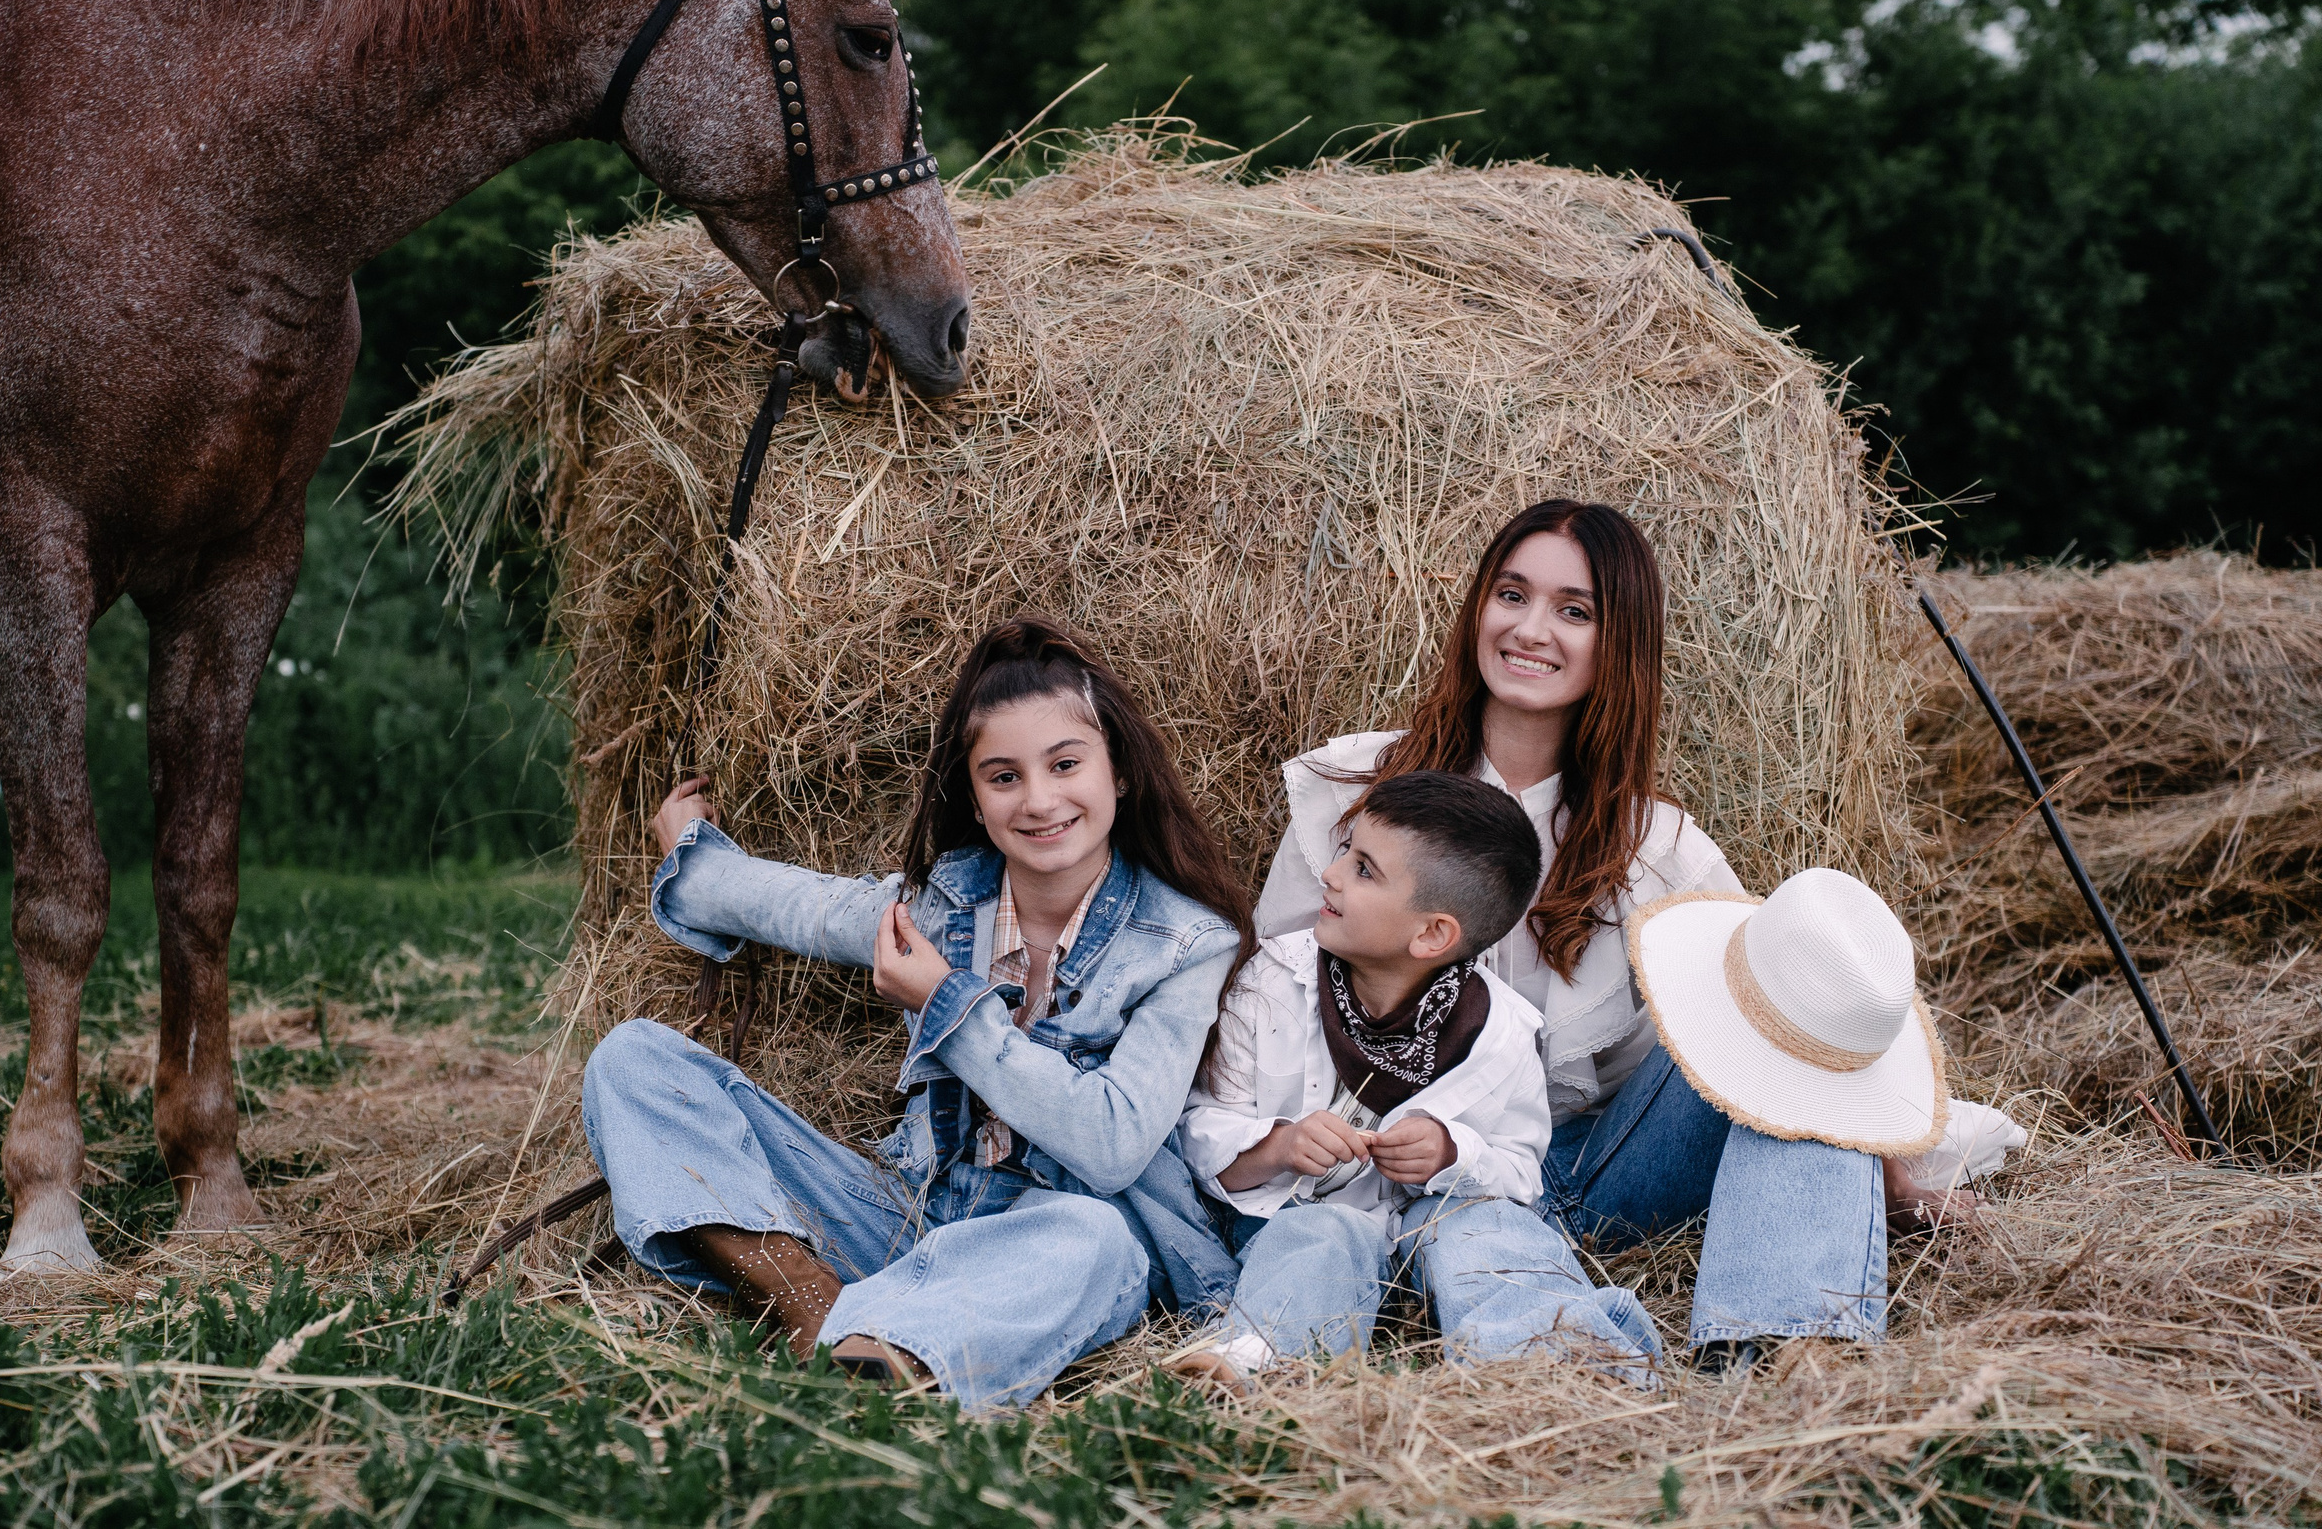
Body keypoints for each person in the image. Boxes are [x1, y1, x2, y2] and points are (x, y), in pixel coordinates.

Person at [1256, 499, 2018, 1370]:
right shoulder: (1347, 792)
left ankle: (1790, 1349)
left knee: (1794, 1011)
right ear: (1477, 608)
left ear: (1618, 644)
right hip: (1400, 1175)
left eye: (1574, 610)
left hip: (1590, 1171)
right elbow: (1266, 998)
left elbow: (1787, 1023)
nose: (1530, 629)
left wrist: (1887, 1173)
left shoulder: (1659, 850)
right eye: (1511, 594)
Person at [579, 617, 1254, 1408]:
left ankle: (886, 1340)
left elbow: (1113, 1143)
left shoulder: (1185, 943)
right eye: (1003, 776)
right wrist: (693, 862)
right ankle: (819, 1311)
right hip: (909, 1215)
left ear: (1121, 773)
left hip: (1047, 1241)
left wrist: (948, 1004)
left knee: (1096, 1240)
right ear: (973, 793)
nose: (1039, 800)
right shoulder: (944, 902)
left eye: (1066, 764)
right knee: (632, 1060)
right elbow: (808, 907)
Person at [1171, 769, 1662, 1393]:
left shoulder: (1501, 1033)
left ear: (1433, 934)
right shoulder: (1272, 983)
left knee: (1488, 1230)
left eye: (1364, 869)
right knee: (1323, 1234)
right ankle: (1264, 1366)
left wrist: (1453, 1152)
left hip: (1426, 1232)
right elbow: (1196, 1127)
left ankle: (1554, 1366)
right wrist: (1279, 1145)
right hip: (1294, 1228)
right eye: (1346, 849)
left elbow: (1521, 1172)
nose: (1332, 872)